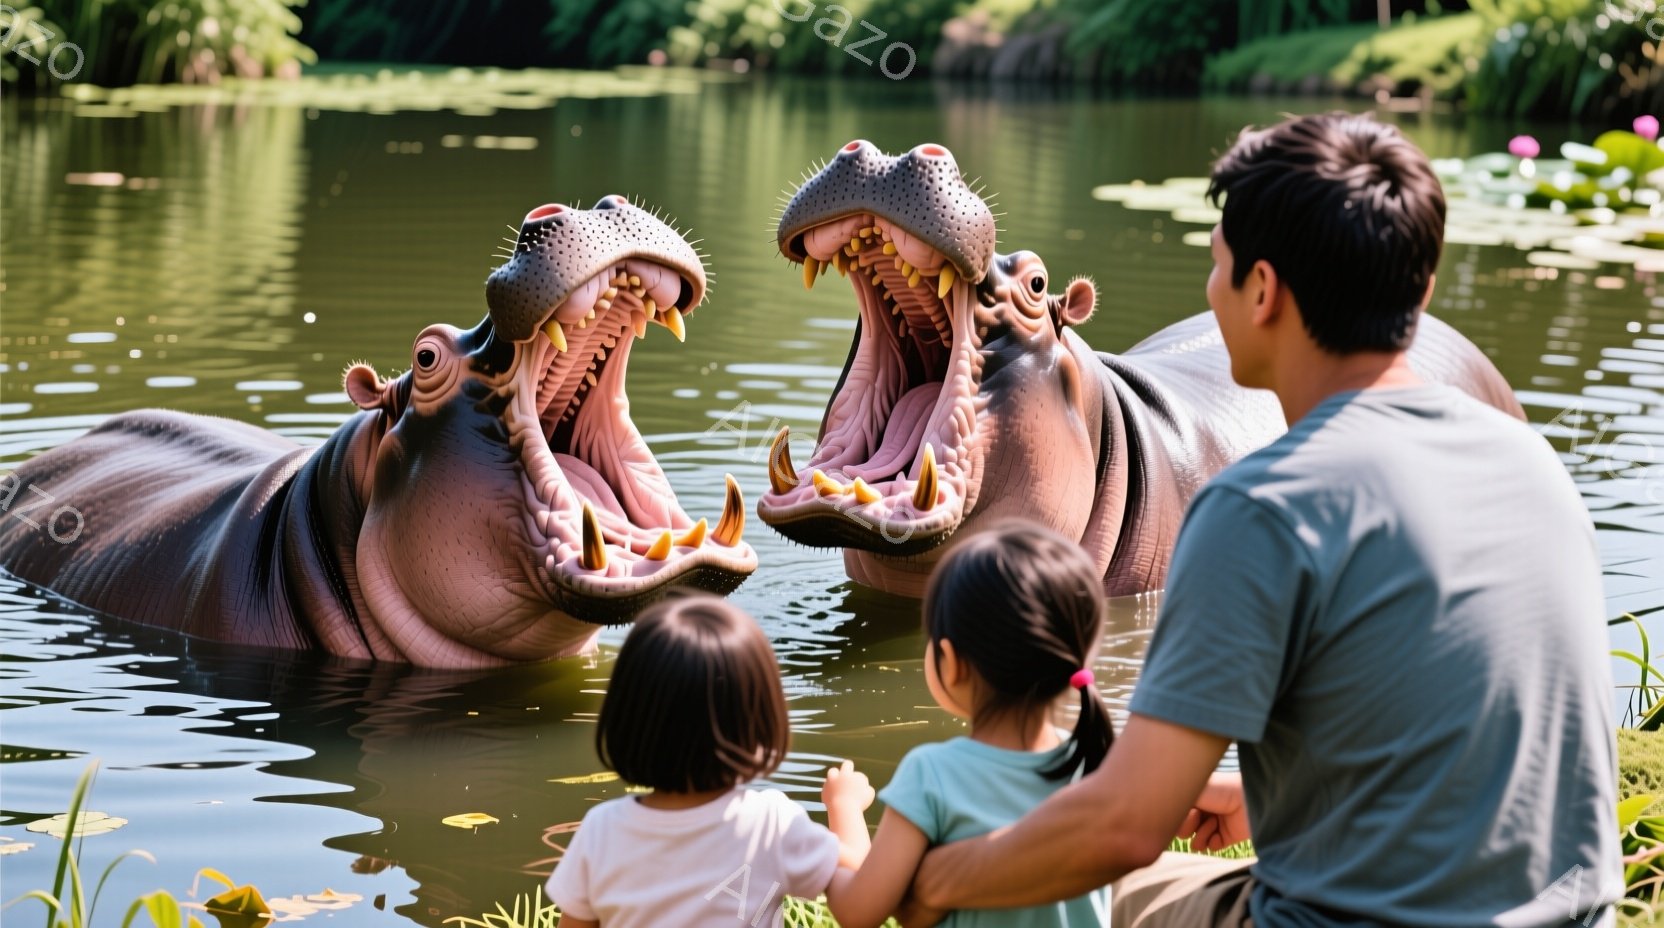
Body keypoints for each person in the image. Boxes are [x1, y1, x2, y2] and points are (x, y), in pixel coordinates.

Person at [909, 111, 1621, 926]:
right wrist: (1257, 787)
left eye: (1216, 266)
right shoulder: (1531, 462)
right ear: (1420, 288)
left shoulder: (1261, 505)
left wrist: (935, 879)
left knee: (1080, 897)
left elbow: (1123, 828)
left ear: (1263, 291)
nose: (1209, 293)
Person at [820, 521, 1114, 928]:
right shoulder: (1098, 764)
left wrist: (843, 810)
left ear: (951, 662)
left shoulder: (932, 775)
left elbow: (858, 910)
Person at [546, 593, 876, 928]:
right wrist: (844, 805)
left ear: (626, 720)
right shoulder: (770, 823)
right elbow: (862, 901)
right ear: (759, 722)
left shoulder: (602, 830)